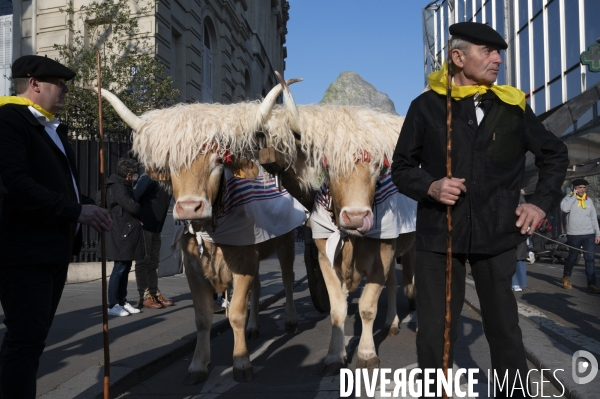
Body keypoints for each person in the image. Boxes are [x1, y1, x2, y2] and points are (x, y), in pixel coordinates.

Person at [391, 22, 568, 397]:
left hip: (499, 233)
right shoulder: (424, 107)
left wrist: (540, 203)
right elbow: (401, 168)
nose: (497, 59)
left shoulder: (513, 106)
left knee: (504, 330)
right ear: (458, 57)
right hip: (439, 237)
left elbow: (555, 153)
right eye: (487, 51)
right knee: (435, 335)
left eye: (498, 52)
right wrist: (431, 185)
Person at [0, 55, 112, 398]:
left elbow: (59, 183)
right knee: (25, 340)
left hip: (52, 251)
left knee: (33, 339)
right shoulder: (8, 120)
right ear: (34, 84)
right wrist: (73, 211)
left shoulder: (50, 126)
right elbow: (14, 183)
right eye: (59, 84)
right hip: (24, 251)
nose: (64, 90)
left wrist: (87, 204)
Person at [104, 158, 146, 316]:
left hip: (125, 230)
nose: (135, 176)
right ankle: (113, 303)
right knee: (120, 268)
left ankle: (122, 301)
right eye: (134, 173)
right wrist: (137, 205)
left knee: (125, 267)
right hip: (121, 231)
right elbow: (133, 207)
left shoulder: (121, 185)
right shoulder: (119, 187)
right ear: (128, 174)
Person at [133, 170, 174, 309]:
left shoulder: (169, 180)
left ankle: (154, 292)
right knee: (143, 261)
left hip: (157, 228)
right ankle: (143, 295)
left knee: (153, 263)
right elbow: (134, 196)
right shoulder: (149, 177)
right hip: (144, 226)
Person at [560, 178, 600, 293]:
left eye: (584, 187)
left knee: (590, 259)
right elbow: (564, 208)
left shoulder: (589, 200)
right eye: (580, 188)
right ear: (575, 188)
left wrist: (598, 233)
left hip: (589, 234)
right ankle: (566, 277)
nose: (582, 189)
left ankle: (591, 284)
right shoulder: (568, 199)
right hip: (574, 234)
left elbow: (593, 218)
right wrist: (573, 196)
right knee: (572, 257)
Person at [513, 193, 529, 292]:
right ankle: (514, 282)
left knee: (519, 258)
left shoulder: (519, 196)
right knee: (510, 258)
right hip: (507, 231)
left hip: (519, 231)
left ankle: (518, 282)